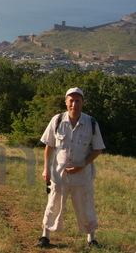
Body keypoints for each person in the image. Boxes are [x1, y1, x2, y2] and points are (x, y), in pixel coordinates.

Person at [36, 87, 105, 248]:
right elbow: (49, 146)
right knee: (53, 204)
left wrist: (81, 166)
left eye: (78, 100)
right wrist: (46, 169)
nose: (74, 104)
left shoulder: (91, 123)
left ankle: (91, 240)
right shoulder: (57, 120)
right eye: (71, 100)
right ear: (66, 102)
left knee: (85, 205)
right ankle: (45, 237)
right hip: (59, 174)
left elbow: (98, 149)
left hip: (83, 175)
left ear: (82, 102)